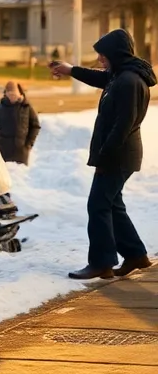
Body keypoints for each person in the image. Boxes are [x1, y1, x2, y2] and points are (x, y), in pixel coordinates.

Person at [50, 29, 156, 279]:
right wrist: (71, 70)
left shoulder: (129, 81)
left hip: (118, 155)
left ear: (116, 54)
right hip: (120, 154)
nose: (100, 59)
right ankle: (135, 254)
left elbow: (123, 125)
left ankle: (101, 263)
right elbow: (100, 78)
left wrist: (105, 157)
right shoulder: (121, 75)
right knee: (112, 204)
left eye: (103, 55)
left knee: (97, 205)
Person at [0, 82, 41, 165]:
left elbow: (35, 126)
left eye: (14, 94)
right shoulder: (0, 107)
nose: (12, 97)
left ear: (19, 94)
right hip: (3, 151)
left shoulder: (26, 107)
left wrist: (28, 144)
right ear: (6, 94)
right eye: (9, 94)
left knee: (20, 175)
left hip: (21, 151)